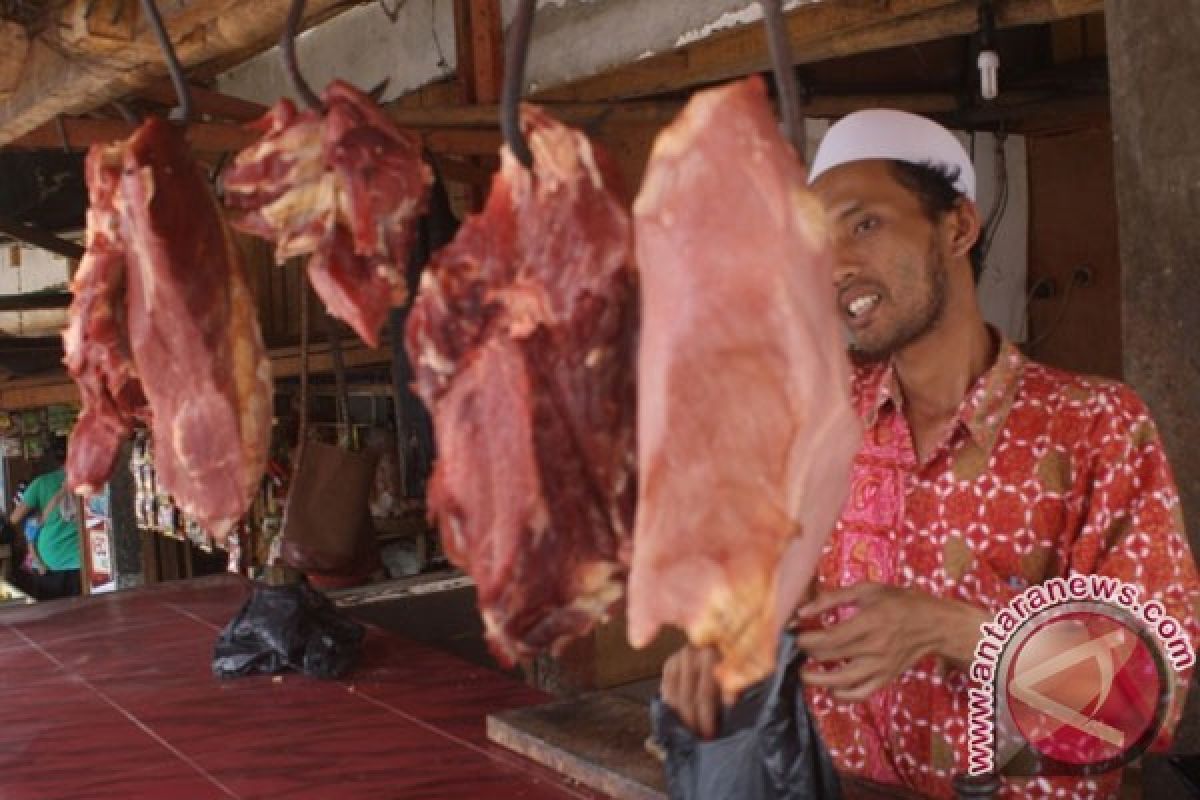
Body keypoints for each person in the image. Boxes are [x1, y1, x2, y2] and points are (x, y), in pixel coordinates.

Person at [660, 110, 1200, 799]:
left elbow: (1142, 700)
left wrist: (961, 632)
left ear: (957, 228)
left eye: (865, 225)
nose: (838, 266)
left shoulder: (1094, 428)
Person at [9, 437, 81, 600]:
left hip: (49, 559)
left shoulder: (41, 483)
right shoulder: (87, 480)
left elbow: (13, 520)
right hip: (81, 558)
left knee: (53, 611)